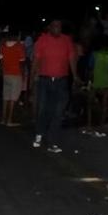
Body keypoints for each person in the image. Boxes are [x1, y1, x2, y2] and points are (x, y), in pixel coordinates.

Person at [30, 19, 81, 153]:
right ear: (50, 27)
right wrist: (31, 78)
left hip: (61, 81)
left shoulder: (66, 41)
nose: (57, 28)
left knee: (58, 112)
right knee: (43, 109)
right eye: (55, 26)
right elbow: (36, 60)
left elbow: (71, 58)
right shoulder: (42, 40)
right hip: (44, 80)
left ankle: (53, 141)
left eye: (59, 26)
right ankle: (39, 133)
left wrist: (75, 76)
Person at [86, 34, 108, 131]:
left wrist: (89, 80)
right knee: (105, 103)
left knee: (89, 103)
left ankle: (89, 124)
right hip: (107, 81)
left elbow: (90, 68)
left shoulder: (94, 54)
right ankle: (102, 124)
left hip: (95, 81)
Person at [0, 31, 25, 126]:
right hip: (16, 74)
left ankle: (3, 119)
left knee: (6, 97)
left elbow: (1, 61)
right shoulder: (19, 47)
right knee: (13, 98)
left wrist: (3, 70)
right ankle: (9, 120)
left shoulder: (3, 46)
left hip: (6, 74)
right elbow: (21, 62)